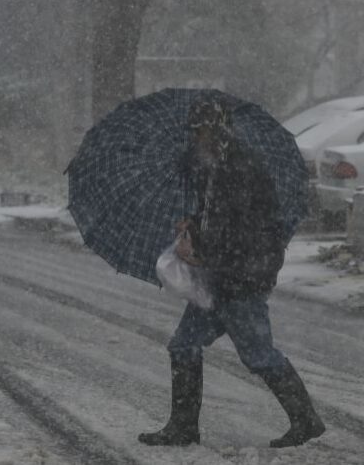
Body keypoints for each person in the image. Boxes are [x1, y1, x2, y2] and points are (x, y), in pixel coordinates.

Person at [138, 97, 325, 449]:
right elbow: (218, 221)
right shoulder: (216, 166)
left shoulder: (240, 167)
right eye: (193, 131)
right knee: (184, 345)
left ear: (217, 129)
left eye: (201, 130)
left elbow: (239, 231)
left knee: (258, 355)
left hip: (241, 280)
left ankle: (306, 420)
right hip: (220, 278)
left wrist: (200, 247)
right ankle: (183, 428)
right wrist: (192, 226)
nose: (196, 138)